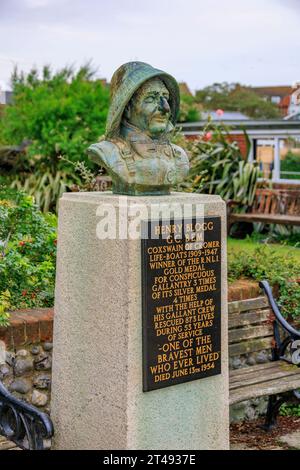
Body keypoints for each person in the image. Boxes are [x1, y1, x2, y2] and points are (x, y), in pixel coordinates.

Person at [87, 61, 189, 195]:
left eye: (166, 98)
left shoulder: (179, 156)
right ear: (127, 108)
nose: (165, 108)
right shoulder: (107, 151)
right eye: (151, 99)